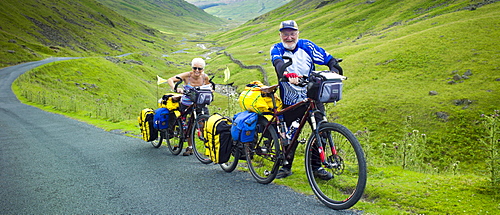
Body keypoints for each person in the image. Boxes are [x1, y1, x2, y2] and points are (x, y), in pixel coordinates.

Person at [270, 20, 343, 179]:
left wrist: (334, 68)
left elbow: (327, 58)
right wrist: (286, 75)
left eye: (292, 33)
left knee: (322, 131)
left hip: (312, 96)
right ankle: (286, 166)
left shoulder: (307, 46)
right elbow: (278, 63)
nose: (289, 37)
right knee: (290, 135)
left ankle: (316, 167)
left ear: (297, 33)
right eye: (285, 34)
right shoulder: (277, 48)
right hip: (290, 99)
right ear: (280, 35)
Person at [166, 57, 211, 156]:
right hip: (186, 103)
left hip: (200, 103)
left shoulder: (205, 77)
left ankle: (208, 147)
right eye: (195, 68)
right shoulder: (187, 75)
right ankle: (189, 146)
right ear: (192, 68)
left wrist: (211, 91)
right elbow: (170, 80)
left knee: (205, 124)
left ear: (203, 69)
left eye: (200, 69)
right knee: (188, 125)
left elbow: (209, 86)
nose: (197, 71)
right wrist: (176, 88)